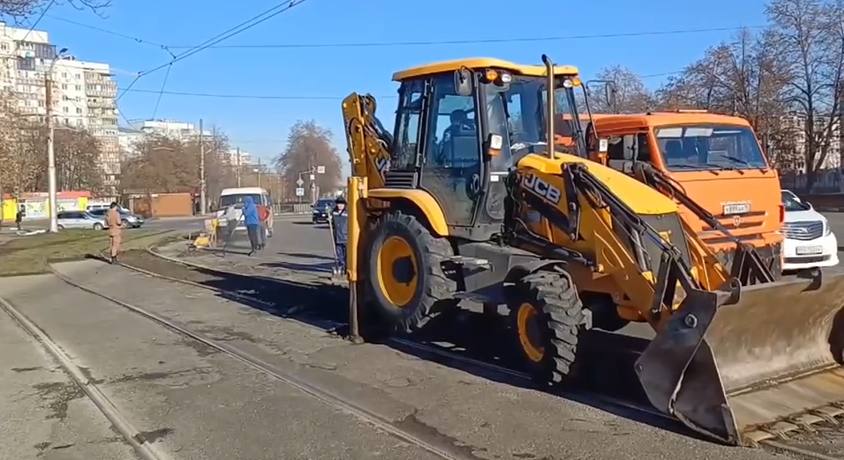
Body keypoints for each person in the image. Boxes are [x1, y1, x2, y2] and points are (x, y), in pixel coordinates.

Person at [330, 196, 348, 276]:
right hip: (337, 237)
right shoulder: (334, 213)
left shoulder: (347, 213)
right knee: (339, 254)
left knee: (346, 255)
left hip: (346, 237)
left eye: (341, 204)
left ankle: (345, 268)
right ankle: (341, 268)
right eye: (338, 204)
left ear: (344, 205)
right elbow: (332, 223)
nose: (340, 206)